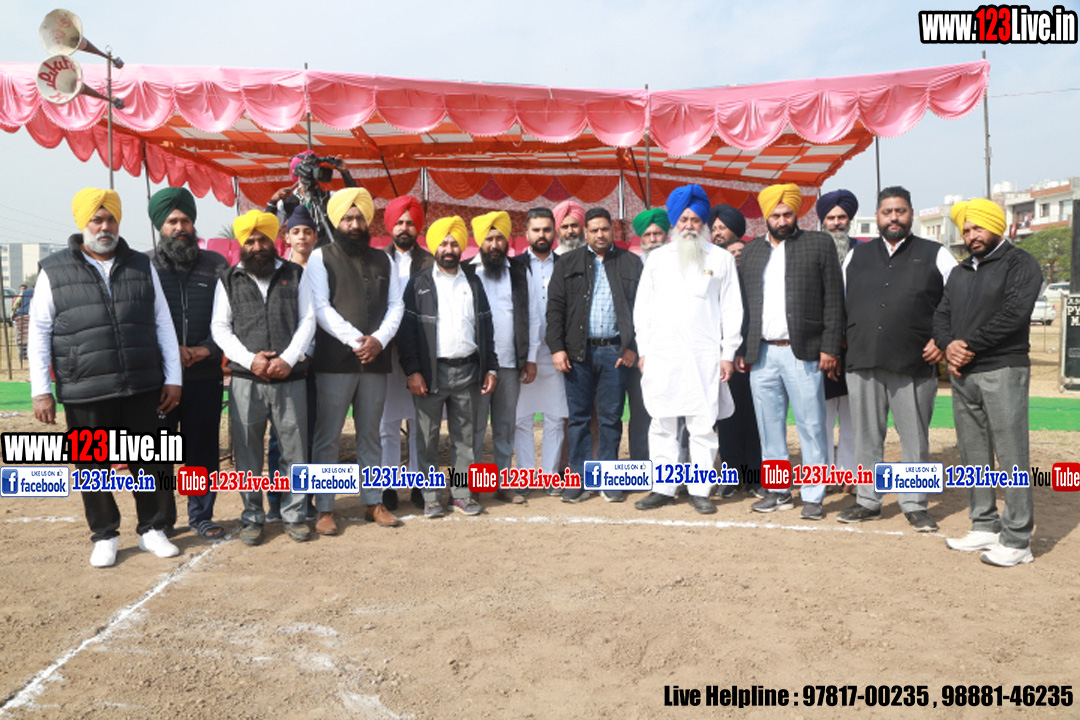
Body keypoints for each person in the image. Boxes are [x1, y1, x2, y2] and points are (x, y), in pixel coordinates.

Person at [29, 188, 182, 567]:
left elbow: (163, 322)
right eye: (96, 220)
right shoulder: (54, 269)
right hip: (85, 387)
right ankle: (105, 535)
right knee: (92, 465)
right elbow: (39, 331)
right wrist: (41, 391)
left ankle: (153, 529)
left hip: (142, 383)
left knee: (152, 461)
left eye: (111, 219)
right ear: (83, 223)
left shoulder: (141, 265)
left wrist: (173, 377)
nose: (104, 226)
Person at [836, 186, 955, 532]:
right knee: (866, 436)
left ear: (911, 214)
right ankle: (867, 501)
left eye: (900, 211)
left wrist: (943, 341)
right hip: (863, 360)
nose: (893, 218)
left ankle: (915, 504)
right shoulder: (856, 256)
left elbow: (960, 300)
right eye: (887, 212)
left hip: (914, 361)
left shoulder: (935, 254)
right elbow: (840, 303)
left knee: (914, 437)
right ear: (877, 216)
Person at [934, 198, 1042, 566]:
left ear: (996, 227)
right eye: (966, 230)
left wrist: (968, 346)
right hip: (964, 374)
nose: (971, 235)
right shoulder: (960, 271)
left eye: (977, 228)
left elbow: (1015, 314)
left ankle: (1017, 539)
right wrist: (948, 345)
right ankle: (984, 524)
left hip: (1003, 369)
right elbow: (941, 316)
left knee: (1012, 455)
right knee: (973, 452)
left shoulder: (1020, 263)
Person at [735, 183, 843, 520]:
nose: (782, 221)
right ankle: (778, 491)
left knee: (812, 426)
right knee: (769, 427)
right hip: (762, 354)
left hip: (804, 352)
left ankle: (813, 495)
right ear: (766, 217)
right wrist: (742, 349)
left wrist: (830, 347)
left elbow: (834, 300)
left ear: (797, 214)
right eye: (776, 215)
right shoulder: (751, 252)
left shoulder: (818, 244)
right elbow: (742, 306)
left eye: (787, 214)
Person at [634, 186, 743, 514]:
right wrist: (644, 350)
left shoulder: (721, 259)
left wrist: (728, 353)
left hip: (703, 355)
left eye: (695, 220)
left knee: (702, 425)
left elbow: (732, 309)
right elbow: (643, 309)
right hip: (662, 354)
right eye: (683, 219)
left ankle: (700, 491)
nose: (689, 226)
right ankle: (663, 488)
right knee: (662, 422)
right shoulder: (657, 260)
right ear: (674, 222)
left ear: (704, 223)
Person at [211, 210, 315, 546]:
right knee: (247, 453)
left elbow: (308, 320)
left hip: (290, 378)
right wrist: (250, 360)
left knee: (294, 452)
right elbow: (220, 328)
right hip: (246, 380)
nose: (257, 246)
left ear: (274, 241)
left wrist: (288, 359)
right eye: (250, 241)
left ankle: (294, 515)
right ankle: (252, 517)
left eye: (262, 239)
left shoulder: (295, 274)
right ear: (242, 245)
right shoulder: (228, 279)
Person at [303, 188, 404, 534]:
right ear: (337, 221)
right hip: (335, 361)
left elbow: (397, 305)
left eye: (359, 217)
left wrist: (379, 340)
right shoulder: (321, 257)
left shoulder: (384, 260)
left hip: (375, 360)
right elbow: (320, 307)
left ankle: (373, 502)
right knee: (328, 435)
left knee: (371, 434)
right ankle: (325, 508)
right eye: (347, 218)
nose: (354, 224)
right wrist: (356, 340)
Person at [398, 216, 498, 518]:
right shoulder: (419, 283)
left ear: (462, 247)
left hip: (468, 371)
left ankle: (461, 494)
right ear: (434, 247)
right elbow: (407, 332)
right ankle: (430, 497)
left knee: (464, 439)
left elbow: (486, 327)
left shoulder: (473, 282)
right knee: (426, 438)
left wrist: (491, 367)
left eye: (454, 243)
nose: (449, 248)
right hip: (430, 374)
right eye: (443, 243)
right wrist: (413, 371)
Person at [147, 187, 228, 541]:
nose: (180, 227)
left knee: (201, 449)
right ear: (160, 227)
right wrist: (166, 353)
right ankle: (162, 519)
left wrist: (205, 350)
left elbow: (230, 318)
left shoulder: (216, 265)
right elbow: (138, 320)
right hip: (160, 380)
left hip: (205, 375)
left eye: (185, 220)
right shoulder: (144, 266)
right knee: (159, 452)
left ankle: (201, 515)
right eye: (172, 222)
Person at [547, 207, 643, 502]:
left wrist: (632, 347)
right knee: (578, 418)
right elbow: (555, 308)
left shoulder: (630, 262)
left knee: (611, 418)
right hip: (578, 353)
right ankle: (578, 478)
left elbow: (643, 309)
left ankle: (609, 478)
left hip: (615, 352)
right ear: (585, 233)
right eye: (594, 230)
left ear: (613, 230)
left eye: (605, 229)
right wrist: (557, 348)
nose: (600, 234)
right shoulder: (567, 263)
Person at [469, 210, 539, 503]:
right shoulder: (466, 271)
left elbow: (533, 316)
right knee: (473, 428)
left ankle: (502, 484)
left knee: (504, 426)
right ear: (479, 241)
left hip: (510, 363)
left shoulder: (520, 272)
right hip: (476, 365)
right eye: (489, 239)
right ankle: (470, 487)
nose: (495, 244)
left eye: (500, 238)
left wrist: (530, 357)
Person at [379, 195, 434, 510]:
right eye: (399, 222)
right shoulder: (376, 260)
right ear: (390, 225)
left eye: (410, 223)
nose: (404, 227)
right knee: (386, 423)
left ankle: (418, 483)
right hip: (385, 352)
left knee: (418, 422)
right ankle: (387, 486)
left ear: (418, 227)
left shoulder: (430, 262)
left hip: (420, 351)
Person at [267, 205, 319, 522]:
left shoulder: (323, 270)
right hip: (287, 365)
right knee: (280, 438)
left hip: (320, 365)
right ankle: (276, 500)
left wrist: (310, 355)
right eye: (296, 232)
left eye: (307, 231)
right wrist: (294, 356)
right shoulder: (278, 272)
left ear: (315, 236)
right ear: (286, 237)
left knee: (311, 435)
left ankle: (305, 499)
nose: (302, 237)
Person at [512, 208, 569, 495]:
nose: (542, 235)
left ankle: (549, 477)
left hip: (557, 352)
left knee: (555, 417)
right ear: (526, 233)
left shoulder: (566, 264)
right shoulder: (513, 267)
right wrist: (525, 355)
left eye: (547, 229)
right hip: (525, 354)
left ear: (554, 232)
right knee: (521, 419)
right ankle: (524, 477)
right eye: (536, 230)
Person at [711, 206, 760, 497]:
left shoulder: (754, 267)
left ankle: (754, 477)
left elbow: (753, 314)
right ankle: (731, 476)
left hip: (750, 355)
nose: (718, 233)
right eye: (715, 228)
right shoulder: (709, 265)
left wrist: (744, 350)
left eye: (723, 227)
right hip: (719, 355)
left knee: (752, 417)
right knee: (726, 418)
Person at [815, 189, 860, 484]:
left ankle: (848, 474)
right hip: (820, 348)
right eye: (830, 218)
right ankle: (822, 476)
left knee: (852, 417)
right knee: (820, 417)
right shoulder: (813, 251)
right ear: (823, 221)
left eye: (841, 217)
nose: (836, 223)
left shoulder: (864, 252)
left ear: (849, 219)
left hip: (855, 347)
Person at [625, 208, 672, 464]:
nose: (653, 239)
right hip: (638, 352)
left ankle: (672, 468)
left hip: (673, 350)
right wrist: (635, 348)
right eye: (647, 235)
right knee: (641, 411)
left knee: (673, 412)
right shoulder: (633, 266)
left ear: (667, 235)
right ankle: (642, 467)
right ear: (641, 239)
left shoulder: (679, 264)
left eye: (658, 233)